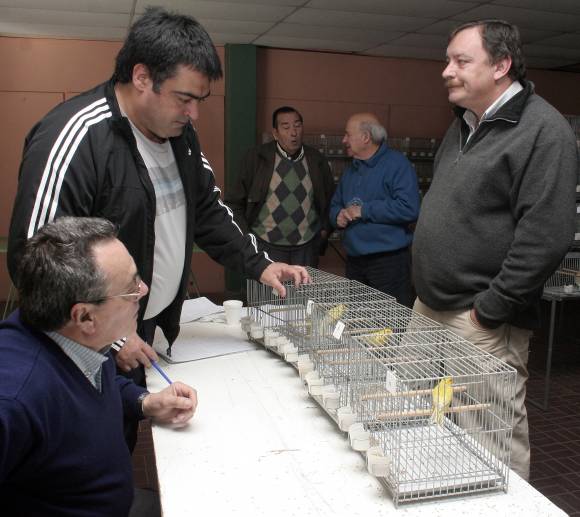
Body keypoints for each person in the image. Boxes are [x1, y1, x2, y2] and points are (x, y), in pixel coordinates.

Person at [7, 7, 308, 450]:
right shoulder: (77, 135)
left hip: (144, 330)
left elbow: (207, 210)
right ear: (142, 77)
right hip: (88, 344)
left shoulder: (179, 136)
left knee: (124, 438)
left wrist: (260, 265)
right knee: (84, 453)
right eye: (184, 98)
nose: (194, 113)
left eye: (200, 100)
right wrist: (113, 338)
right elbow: (35, 264)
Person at [412, 20, 578, 481]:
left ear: (501, 66)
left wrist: (490, 311)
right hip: (429, 306)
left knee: (489, 442)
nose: (447, 70)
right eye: (448, 60)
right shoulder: (464, 123)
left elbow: (545, 236)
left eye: (461, 61)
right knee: (418, 422)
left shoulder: (543, 130)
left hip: (480, 318)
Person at [0, 217, 198, 516]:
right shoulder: (14, 398)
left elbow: (87, 382)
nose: (143, 290)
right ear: (85, 317)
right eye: (131, 288)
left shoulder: (77, 339)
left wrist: (145, 402)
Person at [329, 113, 420, 307]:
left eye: (348, 135)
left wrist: (364, 211)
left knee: (390, 319)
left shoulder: (397, 165)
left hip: (388, 263)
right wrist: (337, 216)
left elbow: (409, 208)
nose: (344, 140)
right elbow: (335, 204)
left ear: (365, 137)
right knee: (357, 318)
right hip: (355, 262)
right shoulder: (351, 169)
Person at [226, 106, 335, 267]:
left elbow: (331, 199)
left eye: (297, 125)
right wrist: (247, 238)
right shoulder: (256, 158)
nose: (293, 132)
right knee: (268, 285)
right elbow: (234, 202)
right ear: (275, 133)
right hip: (265, 244)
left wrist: (324, 231)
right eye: (286, 127)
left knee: (303, 284)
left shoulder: (316, 160)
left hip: (306, 246)